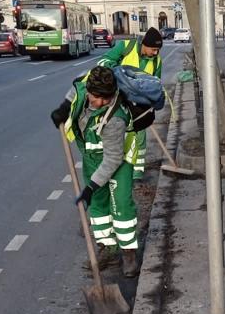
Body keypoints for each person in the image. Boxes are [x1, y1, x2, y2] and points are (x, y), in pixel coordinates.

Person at [50, 65, 140, 278]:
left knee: (121, 208)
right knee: (98, 208)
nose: (97, 102)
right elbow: (76, 89)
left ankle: (129, 254)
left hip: (119, 161)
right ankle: (108, 247)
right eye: (94, 96)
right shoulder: (84, 90)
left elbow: (113, 159)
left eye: (103, 99)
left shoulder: (115, 118)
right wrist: (63, 108)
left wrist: (91, 187)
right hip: (91, 158)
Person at [98, 27, 163, 180]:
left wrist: (151, 104)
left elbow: (156, 84)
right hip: (116, 100)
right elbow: (102, 61)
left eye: (157, 50)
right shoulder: (125, 46)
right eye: (153, 49)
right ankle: (114, 168)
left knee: (139, 136)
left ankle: (137, 171)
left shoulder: (157, 61)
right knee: (116, 134)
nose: (155, 53)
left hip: (138, 104)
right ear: (144, 45)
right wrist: (117, 72)